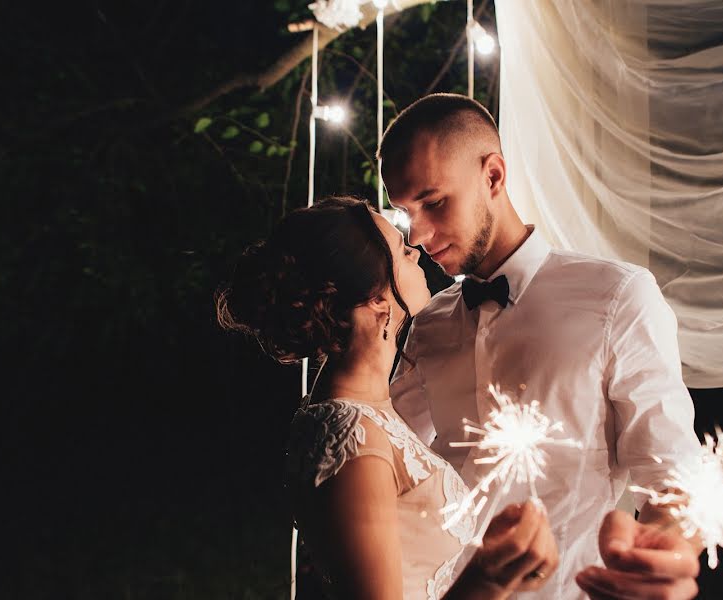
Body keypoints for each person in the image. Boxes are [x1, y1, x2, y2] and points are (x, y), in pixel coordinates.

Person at [382, 94, 703, 600]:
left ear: (493, 177)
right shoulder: (429, 324)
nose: (418, 234)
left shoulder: (618, 297)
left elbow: (673, 474)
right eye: (406, 213)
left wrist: (667, 551)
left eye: (434, 202)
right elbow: (383, 457)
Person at [216, 196, 559, 600]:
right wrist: (489, 577)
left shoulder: (370, 411)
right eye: (400, 250)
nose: (415, 251)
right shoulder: (349, 438)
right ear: (378, 300)